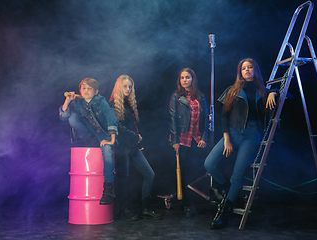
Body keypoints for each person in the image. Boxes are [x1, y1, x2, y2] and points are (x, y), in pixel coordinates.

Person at [204, 58, 277, 229]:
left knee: (238, 174)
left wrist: (274, 92)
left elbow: (289, 94)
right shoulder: (232, 90)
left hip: (252, 134)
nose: (247, 70)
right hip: (233, 133)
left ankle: (223, 214)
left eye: (250, 67)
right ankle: (230, 189)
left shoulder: (262, 90)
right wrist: (227, 139)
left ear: (255, 70)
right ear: (240, 71)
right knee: (208, 164)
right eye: (244, 68)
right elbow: (223, 116)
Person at [109, 75, 163, 220]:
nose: (128, 89)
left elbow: (132, 127)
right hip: (121, 148)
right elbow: (118, 128)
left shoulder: (128, 104)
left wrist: (137, 141)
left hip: (132, 146)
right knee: (123, 179)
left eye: (130, 86)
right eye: (125, 86)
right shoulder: (113, 105)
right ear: (119, 87)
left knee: (149, 174)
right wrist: (135, 137)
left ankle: (145, 208)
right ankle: (123, 211)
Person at [59, 77, 118, 205]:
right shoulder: (77, 102)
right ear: (80, 90)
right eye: (84, 88)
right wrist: (68, 100)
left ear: (95, 91)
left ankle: (108, 189)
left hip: (104, 135)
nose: (86, 91)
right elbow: (64, 118)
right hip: (91, 135)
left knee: (107, 155)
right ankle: (88, 139)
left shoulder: (100, 100)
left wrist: (112, 139)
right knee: (73, 117)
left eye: (89, 88)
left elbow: (111, 117)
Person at [169, 68, 209, 218]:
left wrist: (204, 137)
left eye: (187, 77)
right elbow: (172, 119)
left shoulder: (200, 97)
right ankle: (185, 204)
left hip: (197, 139)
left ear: (193, 79)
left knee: (198, 170)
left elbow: (205, 119)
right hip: (182, 139)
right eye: (182, 78)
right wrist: (175, 140)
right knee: (182, 173)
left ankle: (200, 202)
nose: (185, 80)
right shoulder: (176, 96)